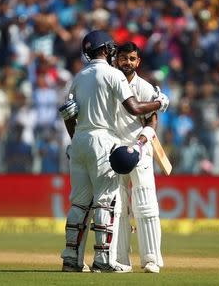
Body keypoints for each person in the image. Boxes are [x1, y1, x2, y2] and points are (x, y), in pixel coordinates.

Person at [59, 30, 169, 273]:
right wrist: (160, 103)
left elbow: (67, 114)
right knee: (106, 203)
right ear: (108, 50)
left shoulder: (78, 77)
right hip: (103, 142)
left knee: (79, 203)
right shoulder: (113, 75)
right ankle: (104, 260)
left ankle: (71, 259)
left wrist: (76, 140)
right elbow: (134, 108)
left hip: (79, 141)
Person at [112, 42, 164, 273]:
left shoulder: (144, 87)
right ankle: (121, 259)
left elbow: (152, 118)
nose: (128, 63)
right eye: (124, 58)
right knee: (118, 205)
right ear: (116, 60)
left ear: (138, 62)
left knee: (145, 204)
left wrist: (145, 137)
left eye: (132, 59)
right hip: (113, 150)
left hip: (140, 149)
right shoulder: (110, 84)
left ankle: (151, 259)